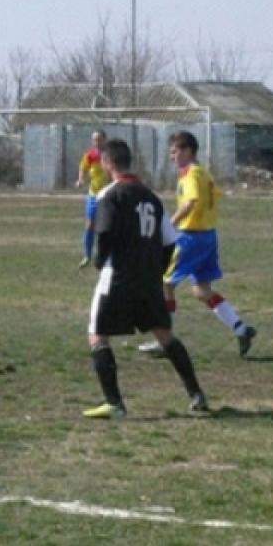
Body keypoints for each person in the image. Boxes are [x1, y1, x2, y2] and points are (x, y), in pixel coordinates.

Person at [83, 138, 208, 419]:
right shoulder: (152, 197)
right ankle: (196, 393)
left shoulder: (109, 194)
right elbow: (170, 241)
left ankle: (115, 404)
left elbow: (104, 232)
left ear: (108, 163)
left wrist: (100, 262)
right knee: (164, 335)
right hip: (148, 279)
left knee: (97, 335)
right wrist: (157, 270)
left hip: (117, 276)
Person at [139, 131, 257, 358]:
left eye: (174, 152)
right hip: (208, 236)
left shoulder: (191, 175)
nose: (172, 157)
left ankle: (165, 341)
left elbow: (191, 202)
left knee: (165, 284)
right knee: (201, 290)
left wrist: (170, 224)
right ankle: (241, 328)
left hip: (190, 237)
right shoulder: (204, 173)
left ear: (188, 151)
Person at [76, 130, 108, 268]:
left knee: (108, 226)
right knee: (90, 225)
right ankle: (87, 255)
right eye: (94, 140)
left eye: (99, 139)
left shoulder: (110, 154)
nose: (96, 142)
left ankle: (106, 255)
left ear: (105, 140)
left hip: (108, 195)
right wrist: (80, 180)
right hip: (94, 195)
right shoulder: (90, 155)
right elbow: (82, 168)